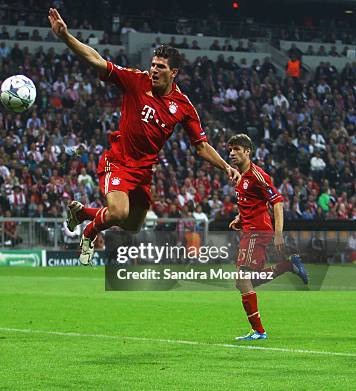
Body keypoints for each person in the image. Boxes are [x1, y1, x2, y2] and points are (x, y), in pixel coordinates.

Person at [48, 8, 241, 265]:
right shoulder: (135, 81)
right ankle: (89, 232)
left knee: (132, 225)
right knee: (118, 212)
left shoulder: (183, 106)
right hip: (118, 160)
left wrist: (226, 166)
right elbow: (96, 60)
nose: (154, 70)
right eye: (153, 65)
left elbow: (201, 146)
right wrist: (66, 37)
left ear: (174, 73)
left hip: (144, 171)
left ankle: (84, 213)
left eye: (160, 67)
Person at [227, 135, 308, 341]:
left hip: (258, 231)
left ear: (247, 151)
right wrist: (239, 218)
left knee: (243, 278)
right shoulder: (241, 177)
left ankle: (259, 331)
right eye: (230, 150)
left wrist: (279, 234)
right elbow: (253, 204)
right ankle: (287, 266)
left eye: (236, 149)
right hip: (249, 230)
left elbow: (277, 203)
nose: (231, 153)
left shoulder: (257, 175)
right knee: (244, 282)